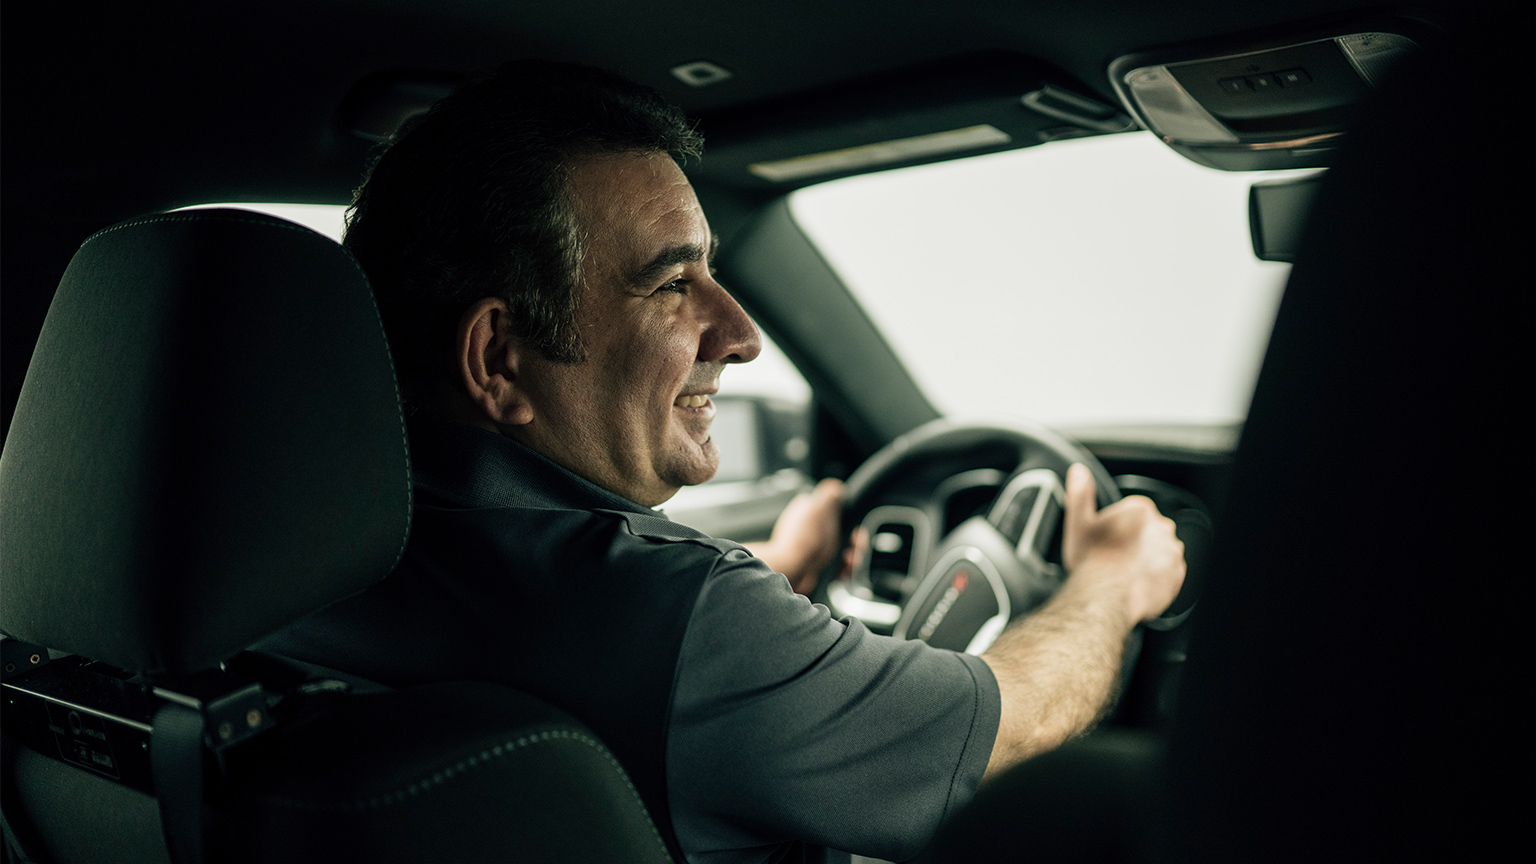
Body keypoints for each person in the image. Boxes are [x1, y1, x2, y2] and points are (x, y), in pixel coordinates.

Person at [262, 61, 1185, 863]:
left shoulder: (282, 573)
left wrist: (780, 574)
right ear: (499, 360)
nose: (741, 336)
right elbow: (1012, 735)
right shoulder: (689, 621)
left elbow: (623, 659)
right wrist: (1111, 580)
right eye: (672, 283)